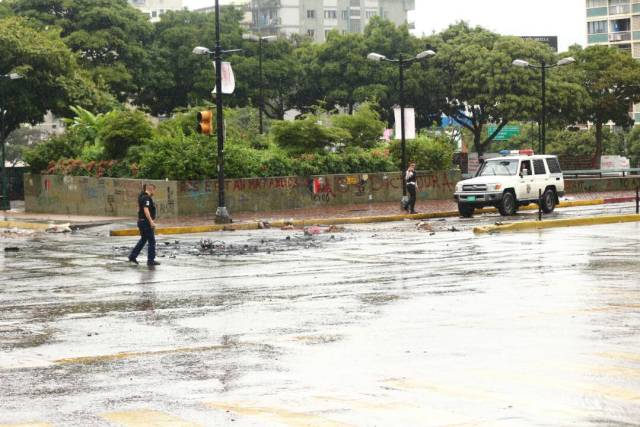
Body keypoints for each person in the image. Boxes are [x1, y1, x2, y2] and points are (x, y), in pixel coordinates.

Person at [129, 183, 160, 267]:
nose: (154, 192)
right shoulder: (146, 198)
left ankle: (132, 256)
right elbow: (146, 210)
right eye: (154, 190)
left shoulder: (141, 196)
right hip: (146, 222)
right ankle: (150, 261)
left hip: (141, 221)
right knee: (151, 241)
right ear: (151, 189)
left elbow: (139, 209)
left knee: (143, 240)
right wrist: (151, 222)